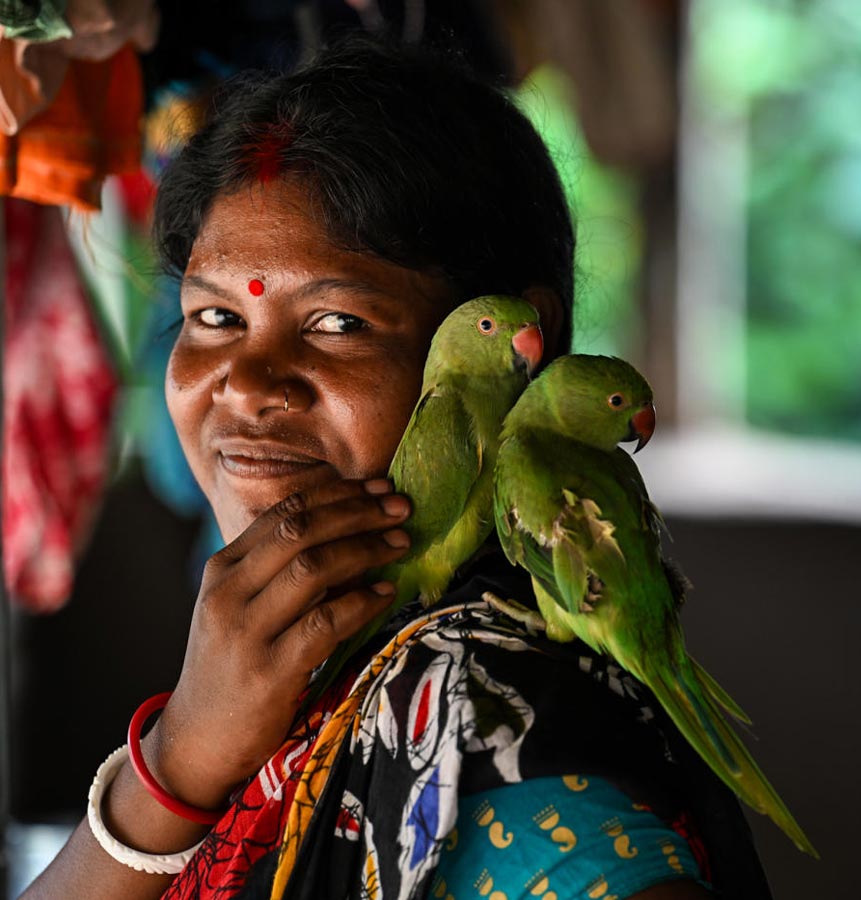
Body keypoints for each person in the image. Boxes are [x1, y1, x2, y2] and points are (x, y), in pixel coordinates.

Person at [20, 36, 772, 900]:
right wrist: (177, 762)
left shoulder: (481, 708)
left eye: (338, 322)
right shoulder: (281, 677)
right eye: (215, 317)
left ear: (515, 342)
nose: (249, 387)